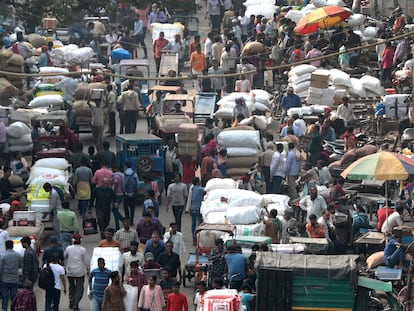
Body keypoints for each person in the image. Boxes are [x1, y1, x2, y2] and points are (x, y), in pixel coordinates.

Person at [64, 233, 89, 311]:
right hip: (79, 272)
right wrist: (88, 269)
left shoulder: (68, 248)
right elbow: (86, 261)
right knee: (79, 288)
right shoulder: (83, 250)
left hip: (70, 271)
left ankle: (71, 302)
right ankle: (76, 302)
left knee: (71, 287)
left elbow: (65, 256)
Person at [0, 240, 21, 311]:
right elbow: (20, 266)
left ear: (6, 247)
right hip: (14, 280)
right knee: (14, 298)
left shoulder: (3, 256)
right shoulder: (18, 256)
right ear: (13, 246)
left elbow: (0, 268)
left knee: (5, 297)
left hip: (4, 280)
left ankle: (5, 309)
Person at [186, 177, 204, 243]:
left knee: (193, 223)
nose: (200, 182)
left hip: (192, 208)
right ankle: (198, 237)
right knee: (199, 224)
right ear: (197, 182)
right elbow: (207, 190)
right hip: (198, 208)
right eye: (199, 181)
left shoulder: (192, 188)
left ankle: (193, 237)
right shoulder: (200, 189)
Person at [111, 164, 124, 231]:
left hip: (117, 194)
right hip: (121, 193)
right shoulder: (122, 175)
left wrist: (113, 192)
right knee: (115, 210)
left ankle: (120, 223)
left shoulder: (116, 176)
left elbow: (115, 183)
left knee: (114, 210)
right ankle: (122, 220)